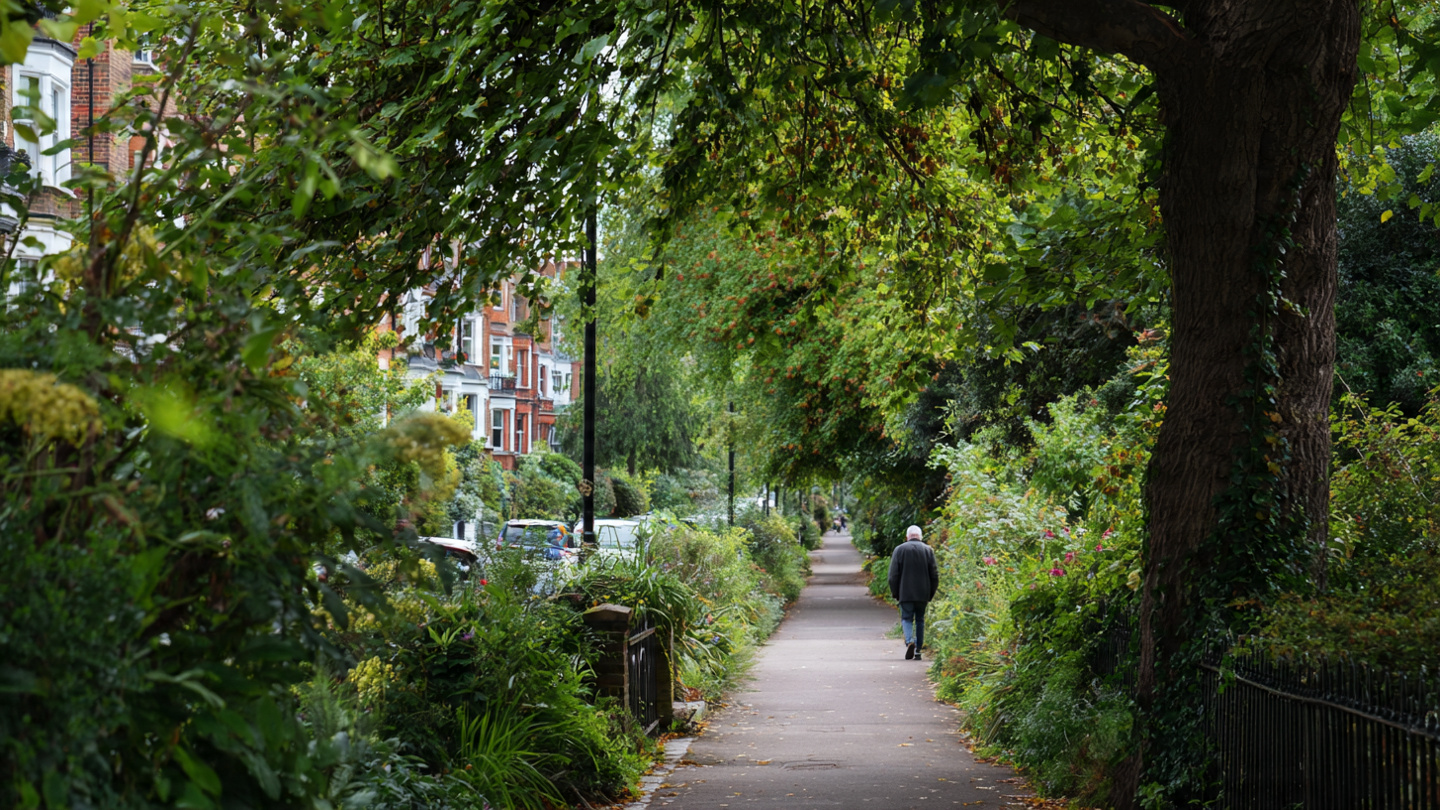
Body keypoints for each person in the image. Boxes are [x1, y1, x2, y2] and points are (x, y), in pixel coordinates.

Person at [888, 525, 938, 661]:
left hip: (905, 592)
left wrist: (895, 593)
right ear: (920, 537)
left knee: (907, 618)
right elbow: (934, 575)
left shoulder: (899, 550)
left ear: (907, 537)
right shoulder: (928, 550)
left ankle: (910, 640)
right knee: (920, 619)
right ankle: (918, 650)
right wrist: (930, 594)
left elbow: (893, 575)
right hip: (923, 593)